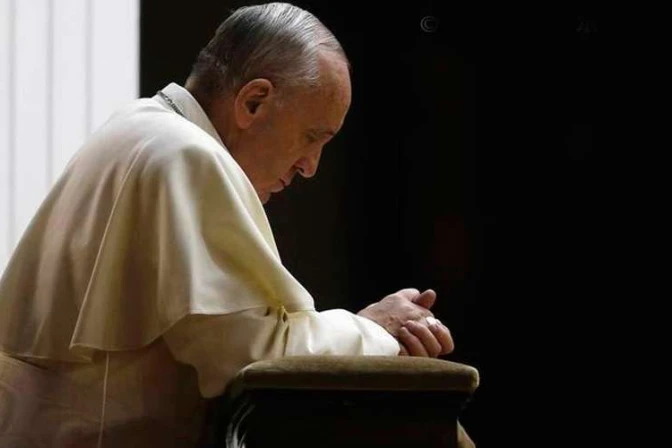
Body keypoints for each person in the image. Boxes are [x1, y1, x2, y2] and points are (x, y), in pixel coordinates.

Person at [0, 2, 470, 446]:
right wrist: (374, 329)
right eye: (312, 137)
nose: (310, 167)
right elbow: (253, 359)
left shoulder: (139, 126)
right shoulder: (185, 155)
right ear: (254, 102)